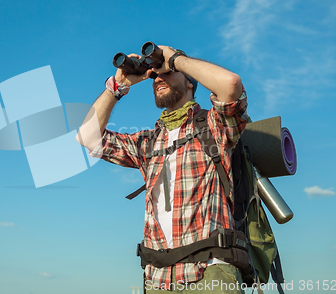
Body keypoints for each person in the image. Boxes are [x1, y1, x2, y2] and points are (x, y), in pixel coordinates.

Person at [76, 45, 248, 293]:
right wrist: (117, 87)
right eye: (155, 75)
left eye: (166, 72)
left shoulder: (214, 126)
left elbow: (231, 85)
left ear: (190, 83)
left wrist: (176, 59)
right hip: (158, 278)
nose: (158, 78)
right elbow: (88, 137)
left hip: (209, 271)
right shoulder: (148, 142)